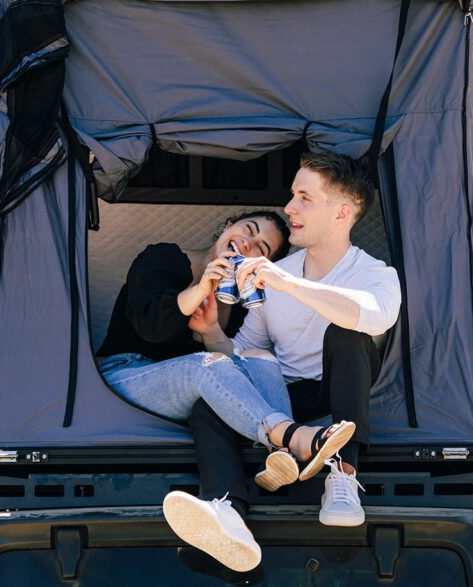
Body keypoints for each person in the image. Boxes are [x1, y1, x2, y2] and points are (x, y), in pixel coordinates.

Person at [165, 150, 401, 572]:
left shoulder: (375, 275)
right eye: (292, 195)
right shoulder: (276, 276)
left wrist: (288, 284)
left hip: (339, 394)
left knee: (348, 332)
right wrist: (212, 334)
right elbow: (245, 355)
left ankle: (343, 477)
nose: (290, 208)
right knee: (209, 402)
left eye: (304, 198)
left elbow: (372, 315)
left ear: (342, 212)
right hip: (285, 400)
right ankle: (228, 515)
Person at [95, 210, 358, 572]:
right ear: (226, 226)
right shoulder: (166, 256)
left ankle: (266, 474)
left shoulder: (231, 301)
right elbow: (151, 325)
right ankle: (291, 439)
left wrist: (211, 333)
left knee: (258, 356)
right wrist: (201, 287)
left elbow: (233, 367)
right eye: (248, 230)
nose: (247, 243)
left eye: (261, 248)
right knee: (210, 367)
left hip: (184, 384)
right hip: (126, 371)